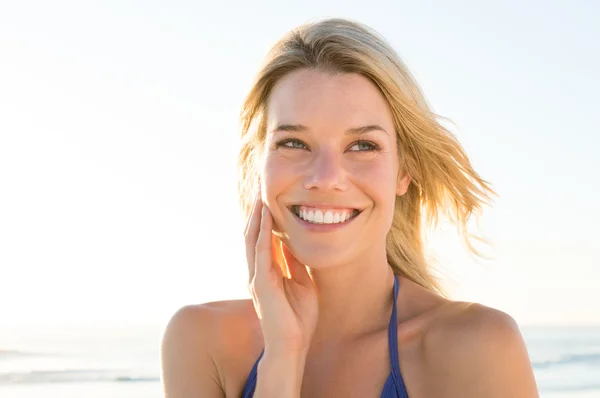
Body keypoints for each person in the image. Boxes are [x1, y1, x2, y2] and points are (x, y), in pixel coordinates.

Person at [160, 18, 539, 397]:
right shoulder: (200, 341)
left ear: (403, 171)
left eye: (362, 146)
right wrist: (282, 356)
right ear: (259, 162)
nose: (326, 177)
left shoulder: (477, 349)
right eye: (293, 143)